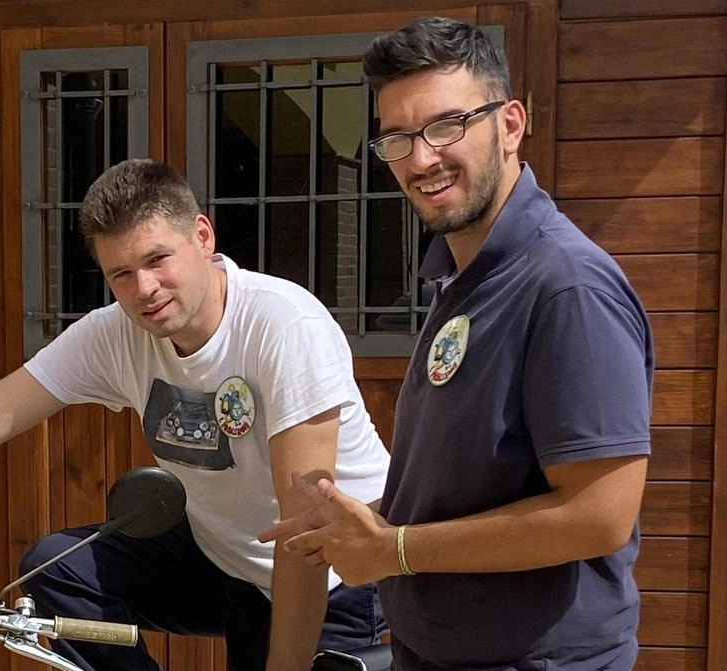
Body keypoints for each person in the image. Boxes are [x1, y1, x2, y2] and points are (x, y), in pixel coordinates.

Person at [0, 158, 391, 671]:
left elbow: (307, 529)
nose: (144, 290)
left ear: (201, 235)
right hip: (229, 562)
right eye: (120, 274)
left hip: (340, 584)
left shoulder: (282, 325)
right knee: (57, 566)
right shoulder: (118, 331)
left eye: (157, 259)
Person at [259, 16, 653, 671]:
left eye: (446, 125)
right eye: (396, 138)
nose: (420, 159)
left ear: (508, 124)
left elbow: (598, 513)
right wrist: (367, 521)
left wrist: (395, 549)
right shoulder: (462, 276)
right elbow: (484, 481)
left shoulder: (565, 286)